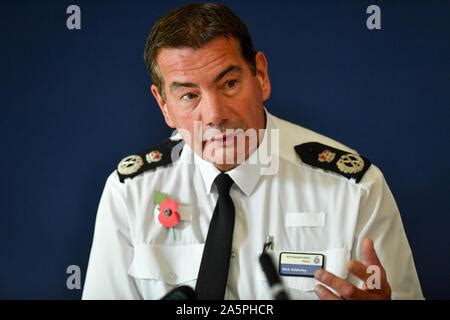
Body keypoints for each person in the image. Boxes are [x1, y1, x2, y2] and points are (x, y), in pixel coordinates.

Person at [82, 3, 423, 300]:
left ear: (260, 75)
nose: (215, 115)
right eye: (189, 96)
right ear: (164, 105)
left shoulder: (355, 189)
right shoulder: (130, 193)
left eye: (229, 84)